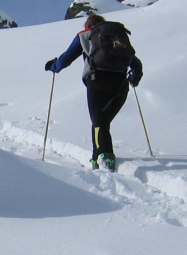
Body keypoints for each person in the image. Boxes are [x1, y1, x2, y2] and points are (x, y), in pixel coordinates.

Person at [44, 14, 142, 171]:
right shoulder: (117, 39)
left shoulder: (85, 35)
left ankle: (105, 157)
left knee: (99, 121)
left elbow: (66, 58)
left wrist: (53, 66)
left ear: (88, 26)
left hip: (98, 81)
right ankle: (97, 158)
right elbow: (135, 63)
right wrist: (134, 79)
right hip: (121, 84)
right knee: (102, 122)